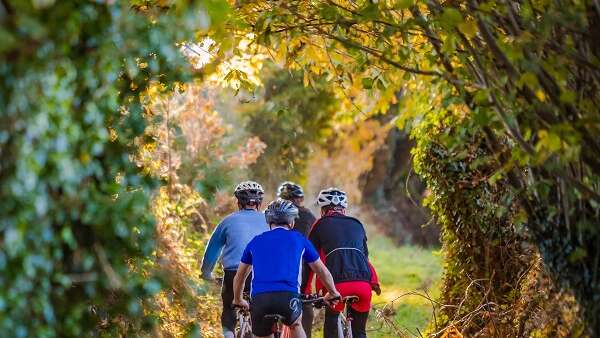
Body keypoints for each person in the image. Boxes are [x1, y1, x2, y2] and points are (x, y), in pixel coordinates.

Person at [232, 199, 341, 338]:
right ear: (292, 222)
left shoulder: (255, 241)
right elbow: (321, 270)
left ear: (269, 221)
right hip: (288, 298)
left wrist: (238, 299)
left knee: (263, 334)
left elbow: (240, 276)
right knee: (295, 325)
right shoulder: (299, 239)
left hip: (260, 299)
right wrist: (332, 292)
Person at [305, 188, 381, 338]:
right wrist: (373, 281)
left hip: (337, 286)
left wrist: (305, 291)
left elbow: (309, 259)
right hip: (363, 285)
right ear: (344, 209)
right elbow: (365, 257)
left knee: (332, 321)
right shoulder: (357, 224)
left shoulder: (320, 224)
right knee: (360, 332)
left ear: (323, 210)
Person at [201, 181, 269, 338]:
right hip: (261, 274)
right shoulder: (269, 221)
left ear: (238, 201)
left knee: (229, 309)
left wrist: (206, 273)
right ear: (259, 203)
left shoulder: (227, 221)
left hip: (233, 273)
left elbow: (212, 251)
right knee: (263, 312)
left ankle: (229, 334)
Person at [277, 181, 317, 337]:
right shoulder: (308, 215)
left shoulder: (272, 214)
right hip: (304, 269)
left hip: (278, 270)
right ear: (299, 199)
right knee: (305, 303)